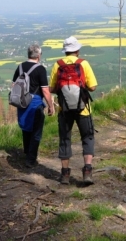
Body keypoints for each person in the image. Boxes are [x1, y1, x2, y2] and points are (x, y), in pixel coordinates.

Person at [49, 36, 97, 185]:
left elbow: (51, 88)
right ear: (77, 49)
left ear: (65, 51)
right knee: (87, 137)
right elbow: (93, 87)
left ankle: (65, 174)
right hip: (83, 109)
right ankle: (87, 171)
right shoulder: (84, 64)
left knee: (65, 139)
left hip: (64, 110)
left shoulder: (58, 65)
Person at [12, 43, 55, 168]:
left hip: (22, 102)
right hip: (35, 104)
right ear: (39, 56)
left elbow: (14, 86)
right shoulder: (40, 69)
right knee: (36, 132)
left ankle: (27, 153)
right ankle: (31, 159)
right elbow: (45, 90)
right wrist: (51, 106)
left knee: (26, 128)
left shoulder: (20, 67)